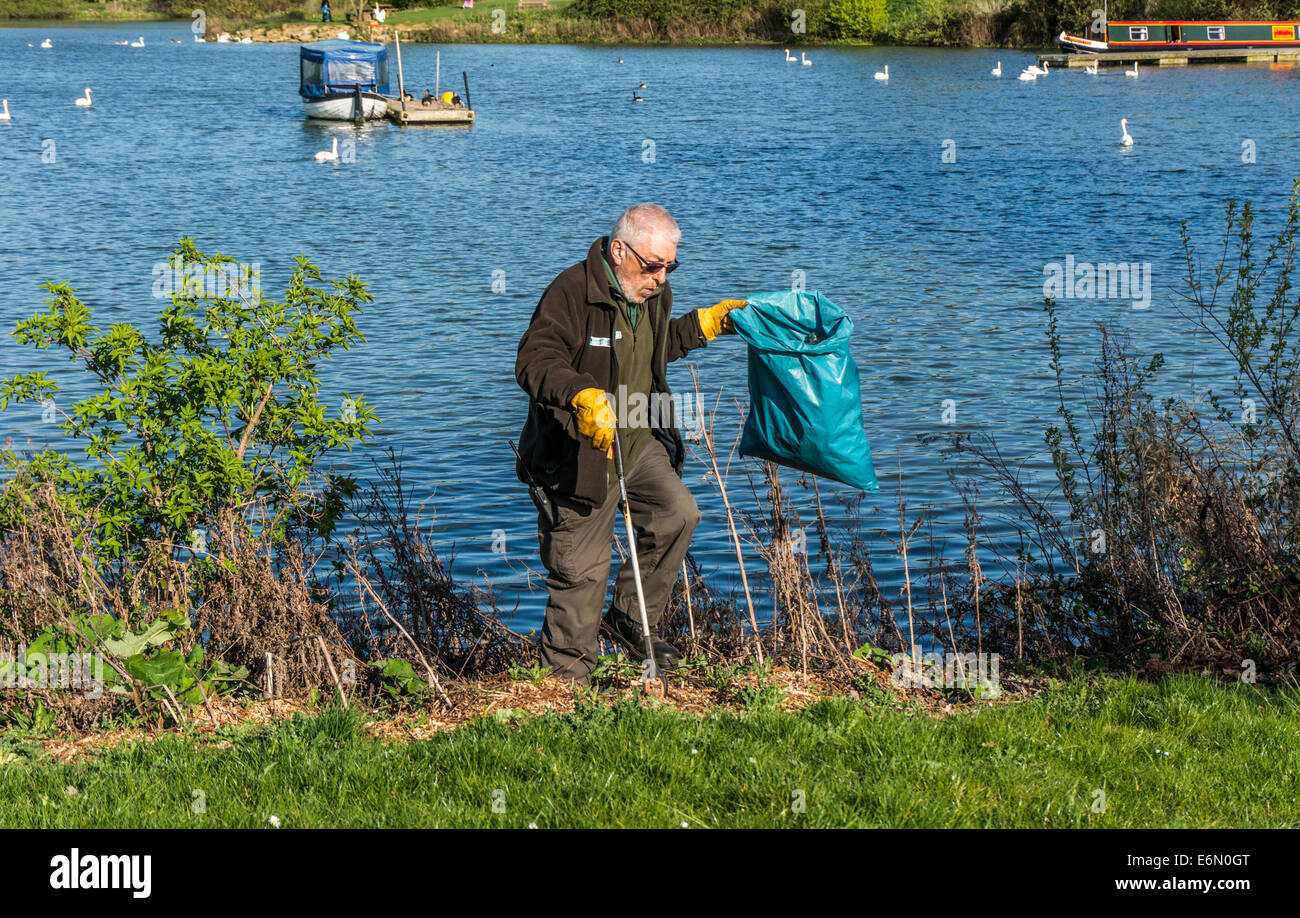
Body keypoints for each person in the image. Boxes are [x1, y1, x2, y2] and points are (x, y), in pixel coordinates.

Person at [514, 204, 746, 685]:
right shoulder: (573, 291)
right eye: (653, 265)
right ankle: (566, 685)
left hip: (638, 437)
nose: (661, 277)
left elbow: (654, 349)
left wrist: (704, 326)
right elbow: (534, 359)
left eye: (670, 266)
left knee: (677, 515)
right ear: (619, 250)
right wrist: (580, 395)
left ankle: (628, 620)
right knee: (581, 572)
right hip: (578, 454)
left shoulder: (652, 293)